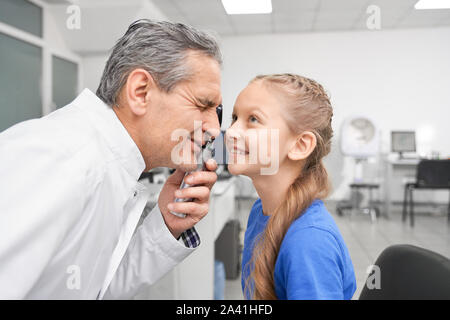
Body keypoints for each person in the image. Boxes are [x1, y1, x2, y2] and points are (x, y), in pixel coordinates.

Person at [0, 20, 223, 299]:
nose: (214, 128)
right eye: (203, 105)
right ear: (141, 92)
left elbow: (93, 289)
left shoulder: (110, 167)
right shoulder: (57, 157)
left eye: (217, 111)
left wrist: (167, 224)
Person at [225, 73, 356, 300]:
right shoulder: (261, 211)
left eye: (253, 119)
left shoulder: (309, 242)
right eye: (234, 118)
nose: (231, 131)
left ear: (300, 145)